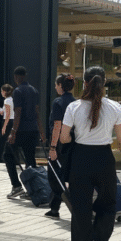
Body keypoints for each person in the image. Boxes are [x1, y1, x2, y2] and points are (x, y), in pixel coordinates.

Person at [60, 66, 121, 241]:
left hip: (80, 159)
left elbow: (63, 138)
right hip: (104, 159)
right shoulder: (114, 107)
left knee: (81, 210)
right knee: (108, 203)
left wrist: (76, 136)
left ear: (84, 83)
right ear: (104, 84)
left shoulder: (73, 108)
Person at [4, 66, 46, 198]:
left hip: (21, 130)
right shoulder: (34, 91)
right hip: (33, 130)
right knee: (30, 159)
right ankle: (33, 189)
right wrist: (41, 131)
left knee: (8, 155)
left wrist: (13, 132)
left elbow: (18, 112)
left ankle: (16, 186)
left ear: (16, 77)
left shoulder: (18, 91)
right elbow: (37, 112)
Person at [44, 73, 76, 219]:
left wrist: (52, 147)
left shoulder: (58, 102)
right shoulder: (75, 102)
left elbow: (57, 125)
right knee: (65, 175)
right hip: (72, 143)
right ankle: (56, 206)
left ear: (61, 86)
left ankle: (55, 207)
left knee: (54, 175)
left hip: (59, 144)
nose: (55, 87)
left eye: (56, 85)